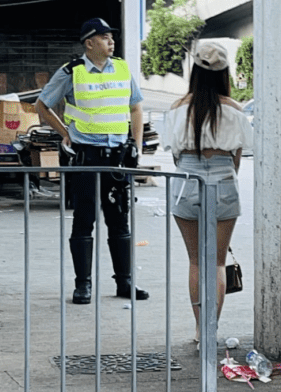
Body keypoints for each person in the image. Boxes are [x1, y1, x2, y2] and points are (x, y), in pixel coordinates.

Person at [35, 18, 149, 305]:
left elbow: (135, 107)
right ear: (89, 43)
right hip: (87, 155)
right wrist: (66, 134)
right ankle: (83, 285)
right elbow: (42, 105)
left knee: (119, 221)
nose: (111, 41)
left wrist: (135, 144)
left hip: (117, 157)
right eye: (104, 37)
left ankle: (125, 282)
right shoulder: (71, 72)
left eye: (111, 37)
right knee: (84, 221)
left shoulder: (122, 68)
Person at [164, 41, 253, 346]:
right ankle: (210, 332)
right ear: (224, 72)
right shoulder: (235, 110)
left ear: (195, 72)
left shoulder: (177, 109)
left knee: (195, 261)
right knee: (216, 262)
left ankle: (199, 329)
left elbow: (175, 154)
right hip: (223, 177)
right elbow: (237, 158)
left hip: (186, 178)